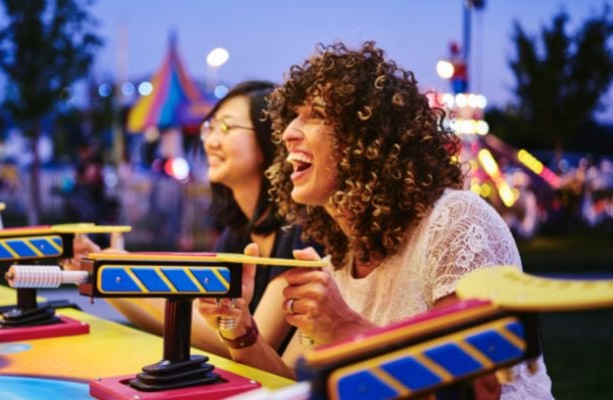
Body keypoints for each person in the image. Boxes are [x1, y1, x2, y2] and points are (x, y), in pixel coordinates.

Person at [197, 41, 552, 399]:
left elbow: (469, 390)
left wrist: (343, 326)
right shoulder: (338, 260)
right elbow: (296, 387)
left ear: (366, 137)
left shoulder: (456, 222)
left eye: (314, 115)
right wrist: (239, 330)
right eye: (292, 116)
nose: (288, 132)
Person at [72, 80, 315, 358]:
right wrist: (102, 272)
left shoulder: (300, 234)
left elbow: (245, 343)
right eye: (210, 127)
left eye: (226, 127)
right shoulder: (236, 235)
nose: (210, 141)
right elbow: (189, 330)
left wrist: (115, 274)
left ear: (270, 139)